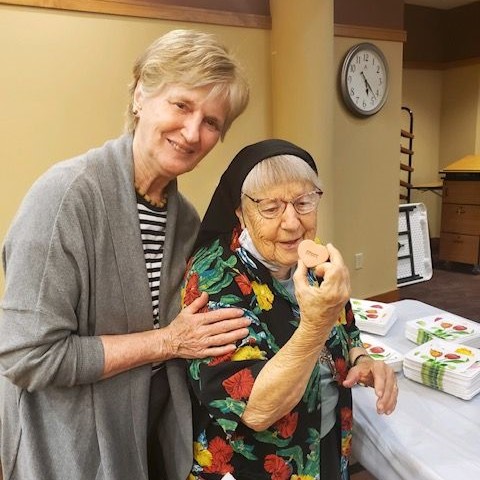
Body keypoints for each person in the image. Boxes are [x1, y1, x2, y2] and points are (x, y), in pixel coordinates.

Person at [0, 29, 251, 480]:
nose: (193, 132)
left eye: (212, 122)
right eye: (181, 105)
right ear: (141, 95)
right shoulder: (65, 198)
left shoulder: (187, 222)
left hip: (144, 440)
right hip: (65, 448)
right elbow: (26, 356)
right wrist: (167, 342)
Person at [182, 139, 398, 480]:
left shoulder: (314, 259)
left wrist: (361, 360)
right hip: (253, 466)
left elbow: (347, 328)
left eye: (303, 202)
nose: (293, 223)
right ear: (240, 211)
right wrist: (315, 324)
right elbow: (254, 408)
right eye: (270, 208)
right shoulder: (215, 275)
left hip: (324, 443)